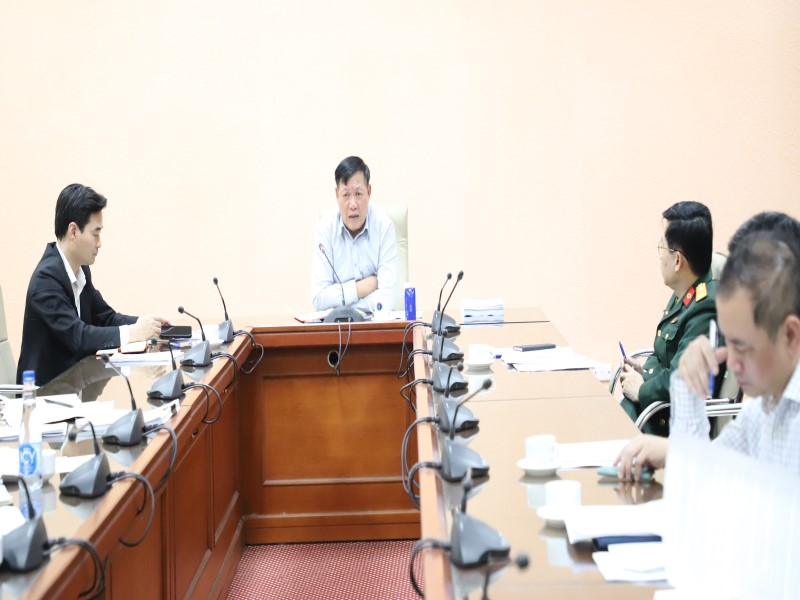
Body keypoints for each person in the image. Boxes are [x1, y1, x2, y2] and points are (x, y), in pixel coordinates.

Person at [617, 218, 800, 480]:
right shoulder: (763, 409)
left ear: (790, 336)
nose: (732, 364)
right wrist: (687, 395)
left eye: (742, 345)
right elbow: (704, 471)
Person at [17, 184, 169, 385]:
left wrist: (147, 324)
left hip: (76, 387)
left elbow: (106, 318)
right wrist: (133, 333)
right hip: (44, 395)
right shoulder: (46, 280)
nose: (99, 242)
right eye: (95, 233)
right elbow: (79, 337)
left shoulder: (80, 271)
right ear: (73, 231)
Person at [619, 201, 717, 436]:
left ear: (677, 261)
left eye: (661, 247)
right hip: (652, 411)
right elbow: (663, 354)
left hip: (667, 425)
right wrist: (644, 373)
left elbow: (681, 379)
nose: (659, 255)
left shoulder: (706, 307)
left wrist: (641, 390)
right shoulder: (686, 291)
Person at [311, 156, 398, 313]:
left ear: (369, 192)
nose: (352, 205)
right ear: (337, 194)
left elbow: (387, 300)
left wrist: (344, 308)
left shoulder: (384, 227)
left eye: (358, 194)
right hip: (337, 327)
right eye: (346, 195)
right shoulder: (325, 229)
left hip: (375, 326)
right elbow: (319, 300)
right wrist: (365, 287)